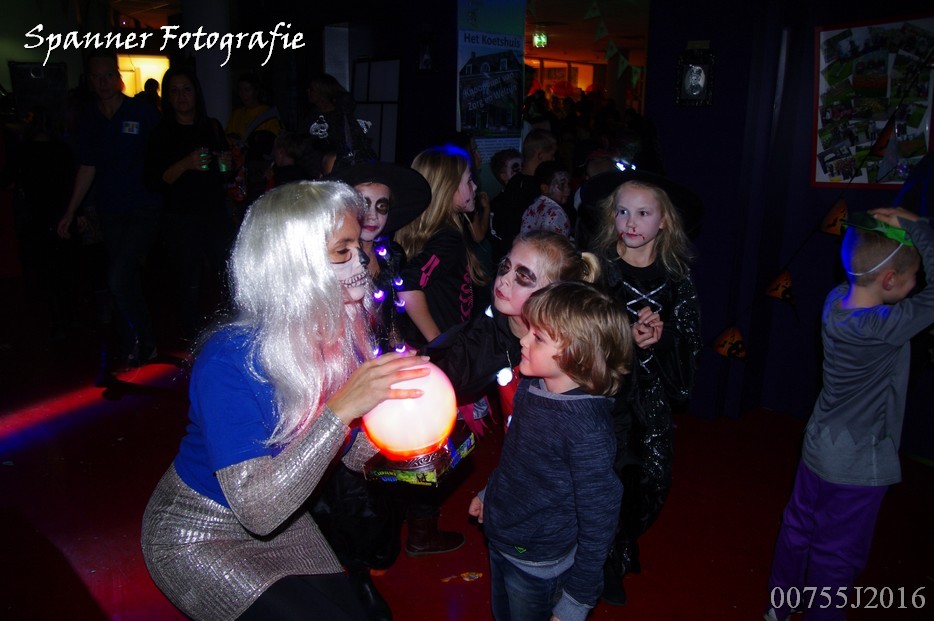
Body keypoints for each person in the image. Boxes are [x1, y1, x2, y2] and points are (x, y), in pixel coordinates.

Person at [141, 181, 431, 621]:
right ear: (296, 263)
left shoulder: (341, 337)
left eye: (358, 246)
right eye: (343, 250)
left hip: (286, 514)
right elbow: (257, 510)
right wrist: (341, 410)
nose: (362, 260)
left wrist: (413, 437)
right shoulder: (229, 359)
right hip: (199, 531)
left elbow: (352, 455)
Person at [764, 208, 934, 621]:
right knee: (837, 554)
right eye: (913, 279)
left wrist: (893, 233)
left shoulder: (835, 301)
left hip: (818, 447)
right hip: (858, 464)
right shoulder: (886, 326)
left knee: (798, 528)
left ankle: (779, 607)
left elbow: (866, 263)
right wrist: (918, 228)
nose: (917, 286)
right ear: (889, 280)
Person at [468, 281, 632, 621]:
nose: (524, 340)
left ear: (578, 354)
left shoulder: (587, 431)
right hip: (502, 536)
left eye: (538, 337)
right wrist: (490, 493)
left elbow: (599, 520)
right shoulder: (532, 385)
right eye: (529, 329)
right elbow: (518, 457)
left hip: (538, 562)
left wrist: (577, 599)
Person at [583, 169, 703, 606]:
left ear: (664, 220)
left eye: (643, 213)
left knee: (651, 478)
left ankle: (622, 538)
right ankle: (605, 558)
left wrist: (661, 335)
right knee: (606, 475)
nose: (630, 222)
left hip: (650, 397)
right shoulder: (597, 268)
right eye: (622, 212)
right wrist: (623, 335)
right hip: (604, 395)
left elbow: (690, 338)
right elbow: (578, 328)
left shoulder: (676, 276)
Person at [427, 231, 601, 425]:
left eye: (523, 276)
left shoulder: (568, 349)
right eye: (506, 267)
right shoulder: (487, 329)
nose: (504, 279)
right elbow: (448, 369)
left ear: (554, 293)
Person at [57, 51, 162, 369]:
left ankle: (145, 340)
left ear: (118, 77)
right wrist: (71, 211)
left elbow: (163, 152)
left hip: (144, 206)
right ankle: (134, 344)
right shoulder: (90, 118)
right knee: (125, 278)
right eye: (96, 77)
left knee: (117, 277)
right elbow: (87, 166)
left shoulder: (141, 111)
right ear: (90, 80)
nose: (103, 82)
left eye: (107, 75)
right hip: (110, 210)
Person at [144, 65, 232, 342]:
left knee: (226, 273)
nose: (181, 96)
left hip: (214, 212)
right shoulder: (161, 134)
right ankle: (193, 339)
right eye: (174, 91)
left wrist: (226, 165)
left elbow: (224, 173)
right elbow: (155, 181)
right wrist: (186, 163)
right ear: (167, 97)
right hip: (181, 217)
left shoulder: (211, 126)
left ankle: (229, 330)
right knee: (188, 280)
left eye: (186, 90)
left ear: (196, 93)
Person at [490, 129, 557, 262]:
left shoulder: (516, 183)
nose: (553, 159)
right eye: (552, 155)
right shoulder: (530, 188)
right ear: (540, 155)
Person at [519, 160, 572, 237]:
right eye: (562, 184)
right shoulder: (556, 213)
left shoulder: (531, 208)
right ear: (545, 188)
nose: (568, 189)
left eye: (569, 184)